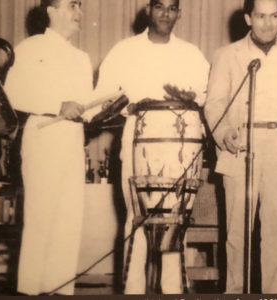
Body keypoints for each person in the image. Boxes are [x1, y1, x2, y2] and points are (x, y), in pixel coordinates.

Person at [204, 0, 277, 293]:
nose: (267, 24)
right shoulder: (227, 55)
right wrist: (224, 132)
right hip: (239, 145)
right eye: (260, 16)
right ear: (248, 18)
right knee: (237, 230)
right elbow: (215, 102)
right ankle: (234, 292)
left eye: (274, 16)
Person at [93, 0, 209, 294]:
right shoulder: (125, 50)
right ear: (149, 10)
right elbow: (104, 97)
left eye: (172, 8)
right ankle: (133, 289)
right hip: (138, 144)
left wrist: (190, 98)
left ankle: (172, 289)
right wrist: (127, 106)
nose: (165, 14)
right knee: (137, 220)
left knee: (174, 223)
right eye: (159, 7)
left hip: (180, 148)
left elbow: (207, 95)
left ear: (179, 13)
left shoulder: (191, 54)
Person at [3, 0, 98, 295]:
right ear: (51, 12)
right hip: (42, 137)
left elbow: (85, 105)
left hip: (72, 140)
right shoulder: (30, 48)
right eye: (72, 5)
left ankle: (60, 289)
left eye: (80, 6)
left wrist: (105, 109)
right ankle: (29, 291)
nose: (79, 13)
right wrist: (57, 105)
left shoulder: (82, 57)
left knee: (69, 221)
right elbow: (13, 94)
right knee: (40, 219)